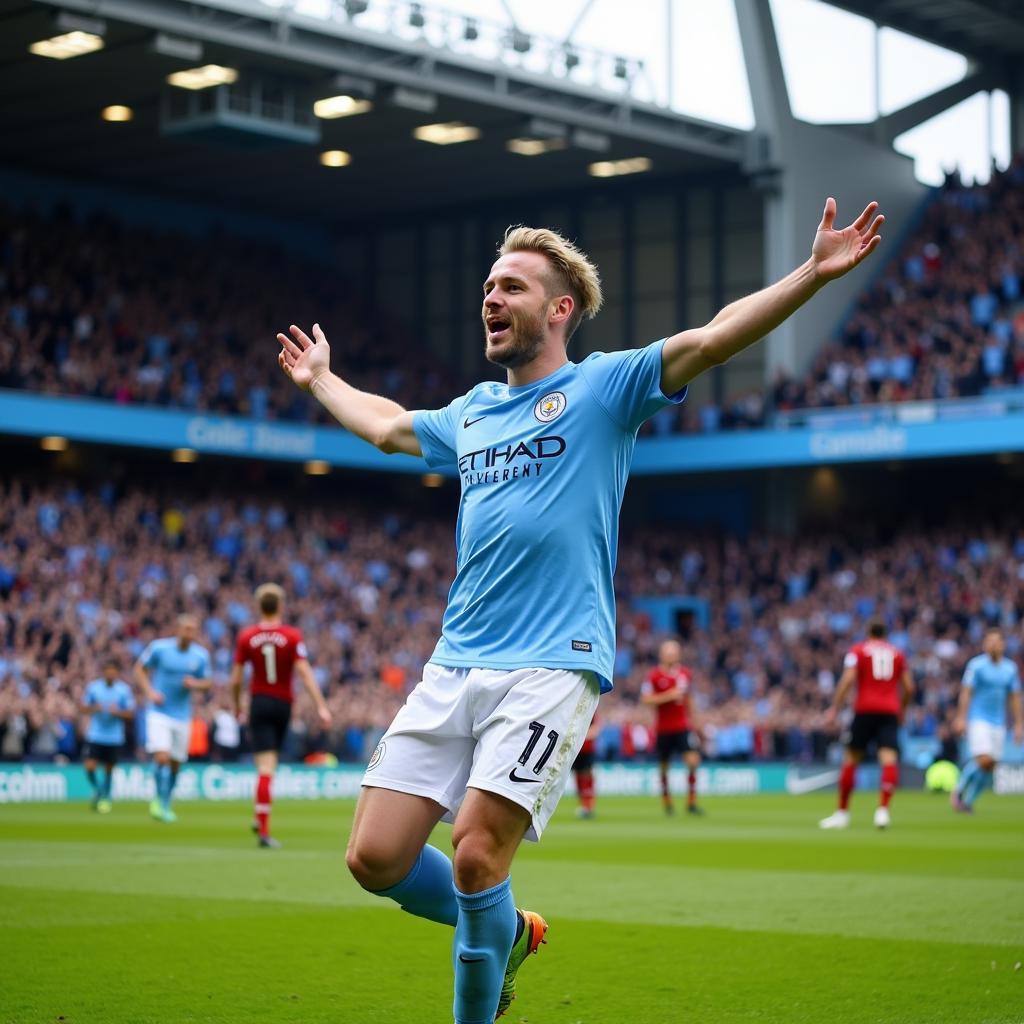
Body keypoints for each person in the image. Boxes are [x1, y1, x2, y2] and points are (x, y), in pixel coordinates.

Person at [277, 197, 883, 1024]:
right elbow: (385, 427)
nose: (491, 298)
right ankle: (507, 934)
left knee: (475, 854)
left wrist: (813, 272)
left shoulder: (605, 387)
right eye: (488, 285)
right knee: (373, 857)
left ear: (559, 309)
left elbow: (712, 337)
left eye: (512, 287)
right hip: (456, 661)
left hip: (554, 662)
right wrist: (321, 380)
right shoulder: (471, 413)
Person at [230, 582, 332, 848]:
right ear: (281, 606)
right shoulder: (291, 636)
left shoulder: (246, 636)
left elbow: (236, 679)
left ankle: (262, 824)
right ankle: (260, 813)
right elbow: (304, 673)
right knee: (269, 766)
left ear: (258, 606)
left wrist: (237, 706)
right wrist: (321, 705)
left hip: (259, 702)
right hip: (283, 704)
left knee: (264, 766)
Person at [820, 621, 913, 830]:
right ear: (885, 633)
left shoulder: (858, 650)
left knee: (851, 758)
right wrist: (903, 710)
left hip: (864, 710)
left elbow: (848, 679)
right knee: (888, 759)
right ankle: (883, 811)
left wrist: (835, 707)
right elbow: (909, 687)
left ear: (868, 632)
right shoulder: (897, 653)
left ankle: (842, 813)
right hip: (889, 711)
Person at [134, 615, 211, 823]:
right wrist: (150, 692)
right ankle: (159, 801)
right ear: (177, 629)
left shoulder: (200, 656)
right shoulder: (159, 648)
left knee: (176, 764)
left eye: (193, 630)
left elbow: (208, 682)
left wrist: (195, 684)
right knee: (162, 757)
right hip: (159, 712)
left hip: (182, 715)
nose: (190, 633)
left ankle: (166, 802)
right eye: (186, 628)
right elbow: (139, 669)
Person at [951, 628, 1023, 813]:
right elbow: (966, 692)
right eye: (989, 641)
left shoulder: (1010, 669)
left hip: (999, 722)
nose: (993, 645)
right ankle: (959, 789)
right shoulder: (976, 666)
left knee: (991, 766)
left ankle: (968, 801)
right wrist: (961, 718)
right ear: (984, 645)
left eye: (997, 641)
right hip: (978, 719)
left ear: (1003, 645)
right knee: (984, 760)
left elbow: (1015, 697)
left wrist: (1019, 724)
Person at [641, 639, 704, 816]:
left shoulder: (685, 673)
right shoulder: (653, 676)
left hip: (682, 726)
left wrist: (695, 722)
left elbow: (689, 699)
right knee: (664, 766)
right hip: (663, 729)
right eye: (669, 652)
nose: (672, 655)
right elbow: (646, 699)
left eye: (674, 652)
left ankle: (691, 802)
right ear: (662, 655)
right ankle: (667, 801)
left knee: (693, 761)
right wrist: (669, 695)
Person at [80, 659, 135, 813]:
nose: (110, 674)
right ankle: (99, 790)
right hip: (96, 735)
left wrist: (117, 712)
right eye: (108, 670)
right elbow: (83, 708)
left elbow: (130, 714)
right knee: (89, 766)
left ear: (117, 673)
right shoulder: (94, 688)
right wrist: (93, 708)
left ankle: (105, 797)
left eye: (113, 671)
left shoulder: (123, 690)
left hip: (114, 737)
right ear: (104, 672)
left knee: (109, 769)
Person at [571, 717, 600, 819]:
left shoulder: (591, 710)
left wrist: (581, 736)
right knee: (578, 778)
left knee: (587, 778)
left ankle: (589, 806)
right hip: (575, 750)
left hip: (587, 751)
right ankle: (583, 805)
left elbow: (596, 728)